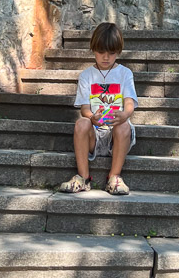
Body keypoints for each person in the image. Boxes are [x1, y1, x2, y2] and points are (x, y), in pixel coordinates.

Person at [59, 22, 138, 196]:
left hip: (116, 137)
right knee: (81, 123)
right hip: (94, 135)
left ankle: (114, 177)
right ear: (93, 49)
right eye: (101, 52)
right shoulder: (87, 75)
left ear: (118, 52)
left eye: (111, 53)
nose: (106, 57)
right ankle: (83, 178)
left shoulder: (125, 73)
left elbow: (130, 102)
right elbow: (84, 108)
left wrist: (124, 114)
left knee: (124, 124)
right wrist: (91, 116)